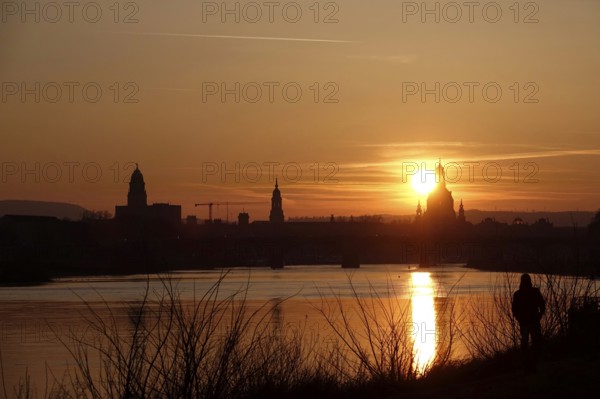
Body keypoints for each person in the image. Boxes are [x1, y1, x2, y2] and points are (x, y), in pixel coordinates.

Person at [511, 273, 545, 369]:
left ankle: (528, 363)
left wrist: (518, 318)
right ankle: (532, 362)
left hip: (527, 322)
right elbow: (542, 304)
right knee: (533, 342)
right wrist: (540, 314)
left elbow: (514, 309)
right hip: (530, 321)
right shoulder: (534, 292)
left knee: (528, 343)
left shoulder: (518, 294)